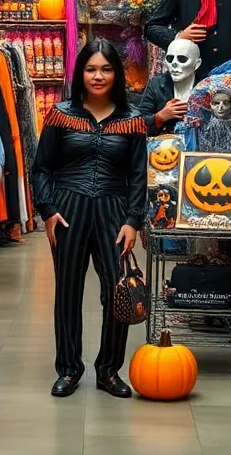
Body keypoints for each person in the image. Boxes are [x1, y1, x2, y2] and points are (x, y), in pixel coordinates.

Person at [31, 39, 148, 398]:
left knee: (118, 292)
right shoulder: (61, 114)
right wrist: (48, 212)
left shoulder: (132, 121)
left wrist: (133, 220)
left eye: (106, 69)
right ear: (81, 72)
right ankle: (68, 368)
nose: (98, 76)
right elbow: (41, 169)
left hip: (114, 213)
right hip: (68, 211)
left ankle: (108, 370)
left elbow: (138, 177)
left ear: (117, 74)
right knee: (67, 292)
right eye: (91, 69)